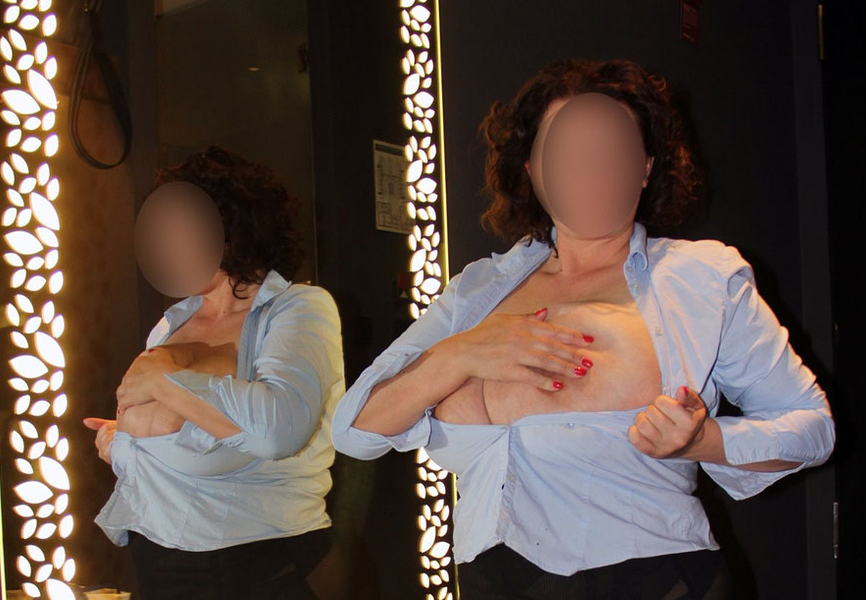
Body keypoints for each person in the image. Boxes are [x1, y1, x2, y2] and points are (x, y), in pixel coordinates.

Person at [331, 59, 835, 600]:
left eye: (610, 151)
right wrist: (460, 355)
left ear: (645, 167)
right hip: (500, 583)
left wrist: (702, 440)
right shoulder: (476, 293)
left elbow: (812, 427)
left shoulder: (701, 279)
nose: (590, 168)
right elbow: (356, 428)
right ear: (532, 169)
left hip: (659, 579)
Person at [83, 147, 346, 600]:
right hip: (160, 567)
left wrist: (164, 384)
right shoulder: (172, 322)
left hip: (263, 568)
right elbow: (181, 434)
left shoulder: (298, 308)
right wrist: (123, 439)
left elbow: (276, 429)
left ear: (230, 229)